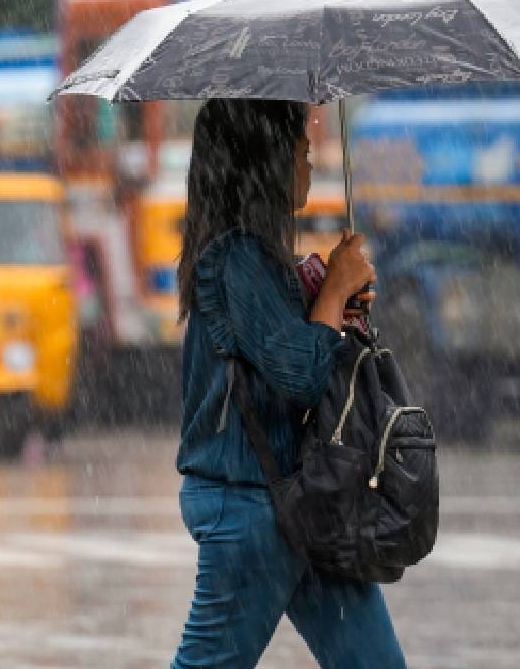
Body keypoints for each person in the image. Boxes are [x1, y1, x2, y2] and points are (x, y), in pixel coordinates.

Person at [170, 99, 404, 669]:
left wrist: (334, 295)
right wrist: (330, 293)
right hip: (250, 503)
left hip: (302, 499)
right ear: (269, 162)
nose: (312, 164)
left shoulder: (263, 261)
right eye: (302, 151)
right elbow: (299, 373)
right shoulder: (232, 260)